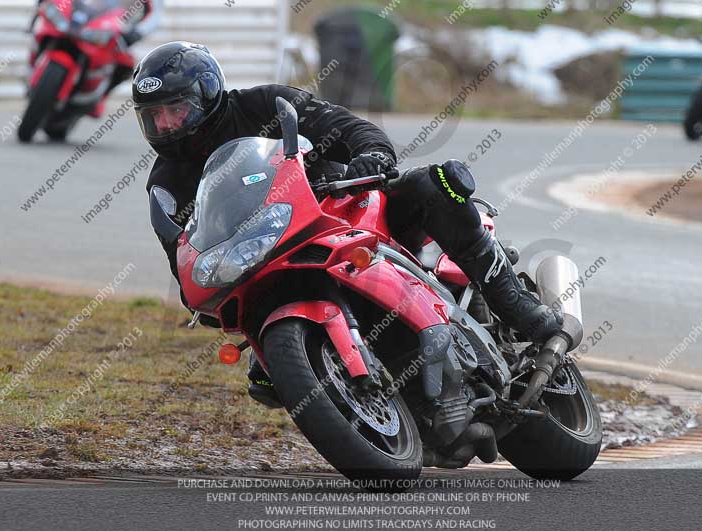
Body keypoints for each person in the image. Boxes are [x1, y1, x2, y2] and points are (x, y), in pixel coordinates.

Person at [134, 42, 563, 408]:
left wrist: (372, 154)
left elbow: (344, 125)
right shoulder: (165, 184)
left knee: (436, 186)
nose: (166, 123)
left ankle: (514, 304)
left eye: (176, 108)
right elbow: (184, 258)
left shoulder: (263, 105)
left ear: (207, 94)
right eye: (155, 115)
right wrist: (205, 295)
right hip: (270, 262)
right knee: (267, 382)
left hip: (344, 208)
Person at [33, 0, 162, 94]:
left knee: (126, 64)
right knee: (45, 21)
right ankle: (34, 64)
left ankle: (99, 96)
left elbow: (154, 15)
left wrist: (135, 33)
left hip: (110, 27)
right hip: (77, 15)